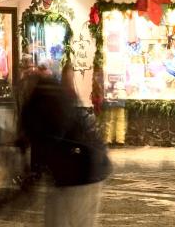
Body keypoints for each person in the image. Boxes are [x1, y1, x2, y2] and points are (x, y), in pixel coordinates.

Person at [21, 65, 111, 227]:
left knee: (64, 220)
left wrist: (34, 175)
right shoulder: (50, 97)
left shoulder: (44, 102)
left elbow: (47, 140)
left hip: (80, 170)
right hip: (83, 167)